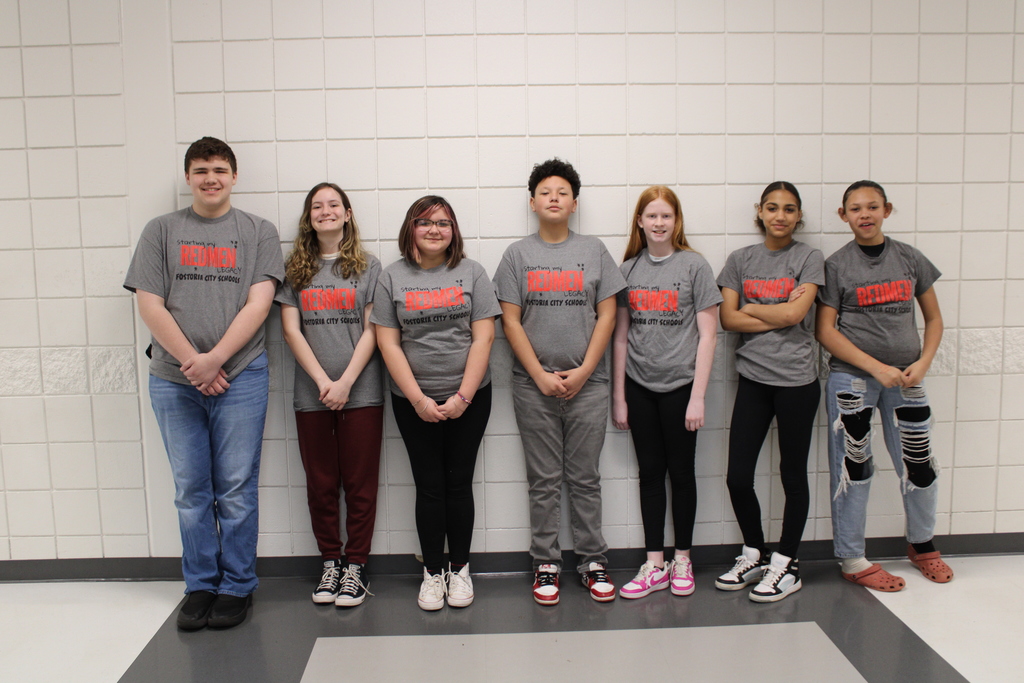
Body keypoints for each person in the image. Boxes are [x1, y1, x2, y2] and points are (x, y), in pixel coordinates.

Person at [124, 137, 283, 630]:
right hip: (173, 380)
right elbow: (149, 303)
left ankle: (237, 586)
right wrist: (194, 362)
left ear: (234, 176)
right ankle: (200, 585)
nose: (210, 178)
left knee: (235, 488)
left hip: (242, 376)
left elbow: (259, 305)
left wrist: (215, 360)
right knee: (191, 489)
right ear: (188, 178)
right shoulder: (161, 231)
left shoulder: (259, 231)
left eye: (219, 169)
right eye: (200, 170)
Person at [494, 159, 627, 605]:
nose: (554, 197)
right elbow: (510, 322)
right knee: (544, 479)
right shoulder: (517, 255)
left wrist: (586, 369)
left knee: (585, 476)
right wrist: (540, 375)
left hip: (589, 383)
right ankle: (546, 564)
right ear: (532, 203)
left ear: (574, 203)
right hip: (533, 386)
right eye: (545, 192)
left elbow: (608, 314)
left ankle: (593, 561)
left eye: (563, 192)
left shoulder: (594, 250)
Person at [816, 180, 951, 592]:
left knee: (920, 465)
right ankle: (853, 558)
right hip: (852, 378)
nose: (865, 215)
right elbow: (826, 331)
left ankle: (923, 545)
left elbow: (934, 320)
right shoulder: (836, 265)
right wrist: (877, 367)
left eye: (872, 206)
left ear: (887, 210)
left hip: (907, 378)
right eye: (855, 209)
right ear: (844, 216)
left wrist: (922, 363)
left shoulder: (910, 258)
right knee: (853, 468)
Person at [372, 196, 501, 611]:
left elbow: (484, 337)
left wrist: (463, 396)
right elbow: (387, 343)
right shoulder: (391, 277)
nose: (434, 230)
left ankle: (459, 569)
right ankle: (432, 572)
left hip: (471, 396)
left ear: (454, 230)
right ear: (411, 228)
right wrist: (418, 399)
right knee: (429, 486)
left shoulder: (473, 273)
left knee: (458, 482)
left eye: (443, 223)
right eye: (425, 222)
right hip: (412, 399)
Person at [715, 181, 824, 602]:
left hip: (797, 382)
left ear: (799, 216)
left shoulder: (809, 257)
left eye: (790, 209)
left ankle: (787, 564)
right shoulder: (740, 260)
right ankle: (755, 552)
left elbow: (799, 314)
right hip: (754, 381)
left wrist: (753, 308)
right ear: (759, 211)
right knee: (738, 477)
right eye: (773, 207)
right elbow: (727, 319)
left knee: (792, 475)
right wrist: (780, 314)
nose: (780, 215)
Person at [611, 186, 721, 600]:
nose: (659, 223)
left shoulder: (694, 266)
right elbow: (620, 338)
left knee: (683, 474)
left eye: (666, 216)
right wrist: (619, 397)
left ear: (677, 222)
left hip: (681, 389)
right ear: (639, 221)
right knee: (650, 475)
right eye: (651, 216)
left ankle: (683, 559)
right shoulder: (627, 270)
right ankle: (654, 563)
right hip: (640, 388)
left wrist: (698, 396)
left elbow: (709, 336)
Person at [277, 182, 383, 607]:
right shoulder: (295, 270)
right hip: (311, 393)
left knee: (359, 484)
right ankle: (330, 563)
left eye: (333, 205)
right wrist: (324, 382)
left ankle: (355, 567)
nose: (325, 211)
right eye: (317, 206)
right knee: (321, 483)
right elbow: (290, 329)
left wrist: (345, 383)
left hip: (363, 391)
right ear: (309, 217)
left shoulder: (369, 267)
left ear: (348, 213)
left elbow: (374, 329)